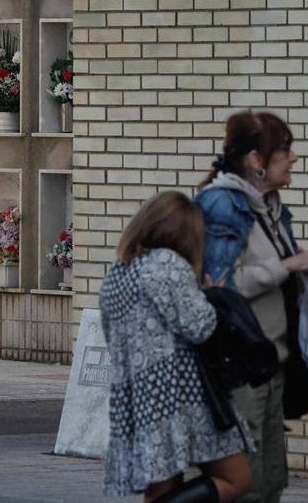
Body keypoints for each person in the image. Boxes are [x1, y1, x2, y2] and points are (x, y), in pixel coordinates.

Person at [195, 111, 308, 503]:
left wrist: (301, 262)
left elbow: (271, 269)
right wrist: (289, 265)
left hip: (270, 363)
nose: (293, 159)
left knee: (271, 478)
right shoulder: (223, 204)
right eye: (284, 150)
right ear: (256, 160)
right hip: (239, 367)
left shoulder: (267, 204)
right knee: (247, 481)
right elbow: (220, 287)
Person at [100, 191, 252, 503]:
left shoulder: (119, 271)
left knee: (161, 488)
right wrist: (214, 296)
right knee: (237, 478)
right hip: (180, 394)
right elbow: (200, 326)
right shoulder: (169, 264)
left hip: (136, 396)